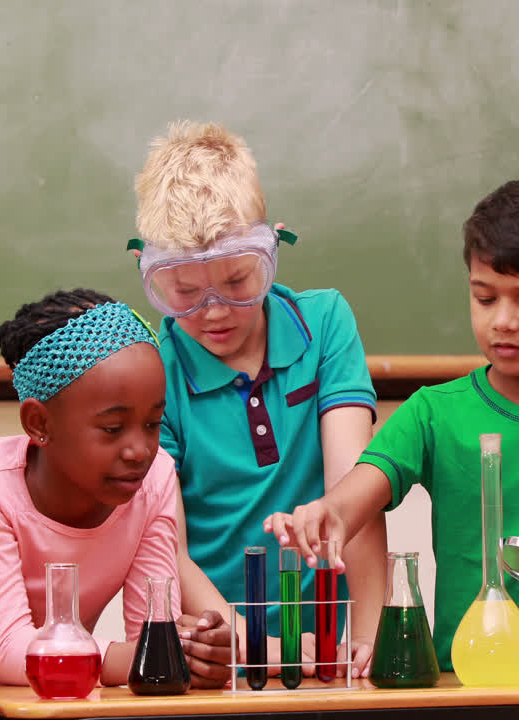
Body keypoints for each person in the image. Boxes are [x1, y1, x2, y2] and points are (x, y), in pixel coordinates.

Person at [267, 176, 519, 672]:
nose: (502, 320)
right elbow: (359, 492)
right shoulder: (433, 412)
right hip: (466, 686)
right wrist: (329, 514)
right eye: (485, 298)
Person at [129, 121, 388, 672]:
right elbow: (168, 545)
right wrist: (259, 651)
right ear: (150, 273)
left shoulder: (325, 323)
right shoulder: (153, 371)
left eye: (238, 282)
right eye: (185, 292)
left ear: (272, 248)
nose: (215, 311)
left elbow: (355, 496)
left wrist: (369, 643)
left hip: (331, 654)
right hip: (220, 654)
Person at [0, 289, 232, 688]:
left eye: (153, 424)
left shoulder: (154, 479)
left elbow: (153, 633)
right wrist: (160, 655)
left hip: (69, 702)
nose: (139, 451)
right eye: (112, 428)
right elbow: (10, 651)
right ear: (39, 423)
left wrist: (195, 656)